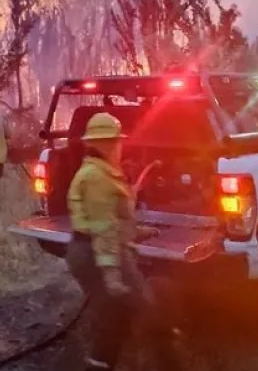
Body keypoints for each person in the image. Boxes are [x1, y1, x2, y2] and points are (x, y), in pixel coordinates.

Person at [66, 112, 180, 371]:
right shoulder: (96, 177)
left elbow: (111, 219)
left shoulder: (100, 173)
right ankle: (170, 363)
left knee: (117, 315)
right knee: (144, 308)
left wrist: (138, 231)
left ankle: (102, 363)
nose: (120, 146)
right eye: (116, 142)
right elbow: (103, 228)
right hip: (99, 253)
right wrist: (112, 275)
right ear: (105, 144)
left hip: (95, 250)